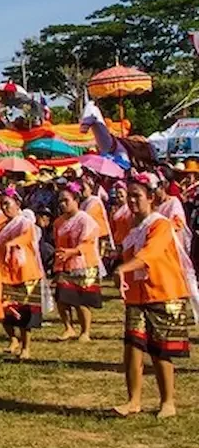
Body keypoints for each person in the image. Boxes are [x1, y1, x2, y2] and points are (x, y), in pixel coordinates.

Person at [114, 178, 199, 418]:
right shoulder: (132, 228)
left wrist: (122, 269)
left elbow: (149, 255)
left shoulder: (160, 225)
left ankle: (168, 402)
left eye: (136, 195)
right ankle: (133, 401)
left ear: (150, 197)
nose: (131, 200)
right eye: (128, 195)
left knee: (160, 349)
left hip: (163, 291)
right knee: (133, 346)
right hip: (138, 294)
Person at [0, 190, 53, 360]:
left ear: (17, 205)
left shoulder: (25, 223)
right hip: (6, 271)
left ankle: (26, 347)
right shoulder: (1, 226)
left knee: (24, 312)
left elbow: (26, 238)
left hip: (25, 271)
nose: (4, 208)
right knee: (5, 310)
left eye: (7, 204)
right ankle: (13, 339)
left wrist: (11, 244)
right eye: (2, 205)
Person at [53, 185, 104, 342]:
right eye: (60, 201)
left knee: (81, 302)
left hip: (83, 264)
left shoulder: (85, 220)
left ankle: (85, 331)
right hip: (64, 264)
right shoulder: (58, 222)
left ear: (76, 200)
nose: (62, 204)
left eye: (66, 200)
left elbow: (88, 243)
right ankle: (68, 328)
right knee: (62, 299)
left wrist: (72, 252)